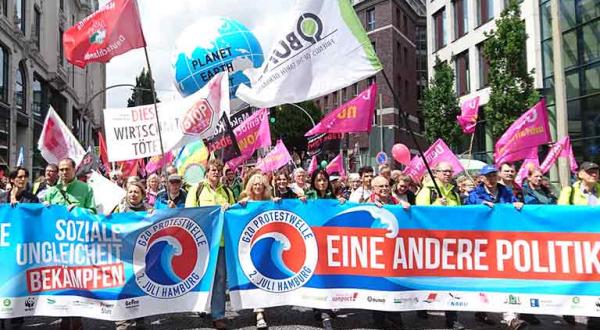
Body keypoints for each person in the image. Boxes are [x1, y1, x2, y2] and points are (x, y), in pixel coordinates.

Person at [466, 164, 524, 330]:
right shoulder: (476, 193)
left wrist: (518, 205)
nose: (491, 179)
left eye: (493, 175)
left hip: (503, 242)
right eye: (487, 176)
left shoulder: (505, 191)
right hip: (482, 242)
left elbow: (513, 203)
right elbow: (468, 204)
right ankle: (481, 310)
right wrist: (480, 204)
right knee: (484, 278)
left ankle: (511, 318)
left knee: (505, 277)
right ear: (482, 178)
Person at [44, 158, 95, 330]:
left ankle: (77, 317)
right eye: (61, 169)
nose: (63, 172)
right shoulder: (51, 191)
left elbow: (93, 213)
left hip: (78, 246)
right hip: (57, 247)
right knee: (60, 282)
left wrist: (79, 210)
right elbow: (43, 219)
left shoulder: (86, 189)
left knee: (76, 281)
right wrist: (44, 209)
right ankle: (64, 317)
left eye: (67, 169)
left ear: (74, 170)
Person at [185, 159, 235, 330]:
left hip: (220, 242)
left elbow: (233, 215)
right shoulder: (196, 190)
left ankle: (218, 315)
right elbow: (190, 213)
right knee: (201, 277)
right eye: (212, 170)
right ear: (207, 172)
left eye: (218, 170)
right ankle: (201, 306)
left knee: (221, 279)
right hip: (202, 243)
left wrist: (231, 208)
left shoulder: (227, 192)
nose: (215, 173)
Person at [415, 162, 464, 330]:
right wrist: (436, 205)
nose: (448, 174)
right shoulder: (427, 191)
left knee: (451, 279)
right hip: (432, 242)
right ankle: (421, 306)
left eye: (450, 171)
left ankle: (452, 318)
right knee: (428, 277)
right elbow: (419, 214)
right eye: (444, 171)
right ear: (436, 173)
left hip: (450, 242)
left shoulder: (454, 192)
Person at [238, 173, 276, 329]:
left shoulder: (271, 202)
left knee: (266, 276)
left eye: (261, 184)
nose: (258, 186)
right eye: (255, 184)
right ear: (250, 187)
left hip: (268, 245)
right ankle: (259, 311)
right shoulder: (245, 203)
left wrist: (276, 203)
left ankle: (262, 306)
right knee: (255, 275)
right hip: (251, 246)